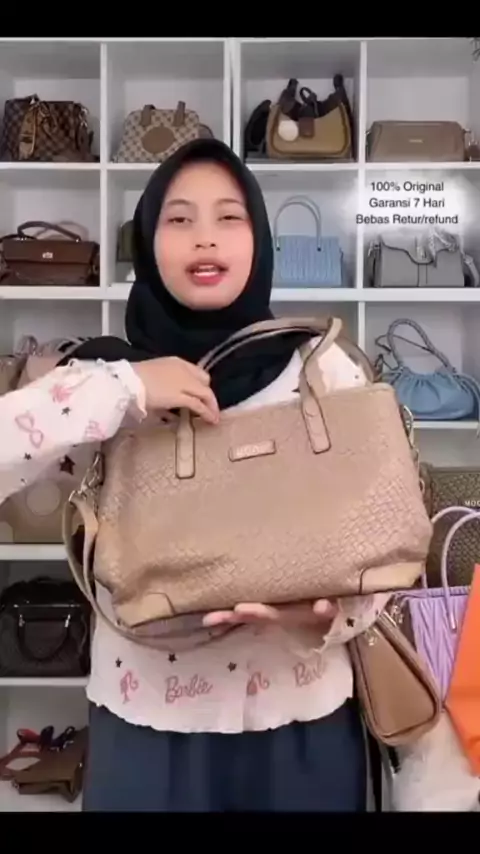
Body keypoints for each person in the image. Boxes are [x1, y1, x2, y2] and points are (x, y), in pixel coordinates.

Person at [1, 138, 477, 811]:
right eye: (179, 218)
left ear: (260, 240)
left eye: (230, 217)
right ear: (148, 241)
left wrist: (326, 618)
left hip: (304, 723)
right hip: (146, 726)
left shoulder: (323, 371)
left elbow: (380, 544)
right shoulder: (104, 383)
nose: (206, 237)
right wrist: (125, 386)